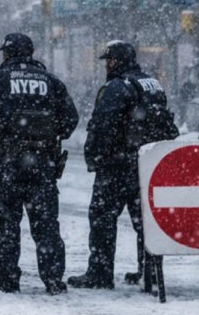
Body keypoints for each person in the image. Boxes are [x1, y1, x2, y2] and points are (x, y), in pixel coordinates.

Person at [0, 32, 78, 295]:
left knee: (6, 222)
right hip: (43, 165)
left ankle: (6, 278)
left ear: (6, 54)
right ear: (32, 51)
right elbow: (70, 119)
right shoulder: (52, 82)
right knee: (47, 222)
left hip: (6, 164)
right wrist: (47, 135)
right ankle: (52, 278)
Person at [69, 40, 179, 290]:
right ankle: (148, 271)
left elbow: (102, 124)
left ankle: (100, 273)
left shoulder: (117, 87)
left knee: (102, 218)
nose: (106, 65)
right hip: (148, 164)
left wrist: (95, 156)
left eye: (108, 60)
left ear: (115, 61)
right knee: (145, 221)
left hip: (118, 165)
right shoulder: (152, 84)